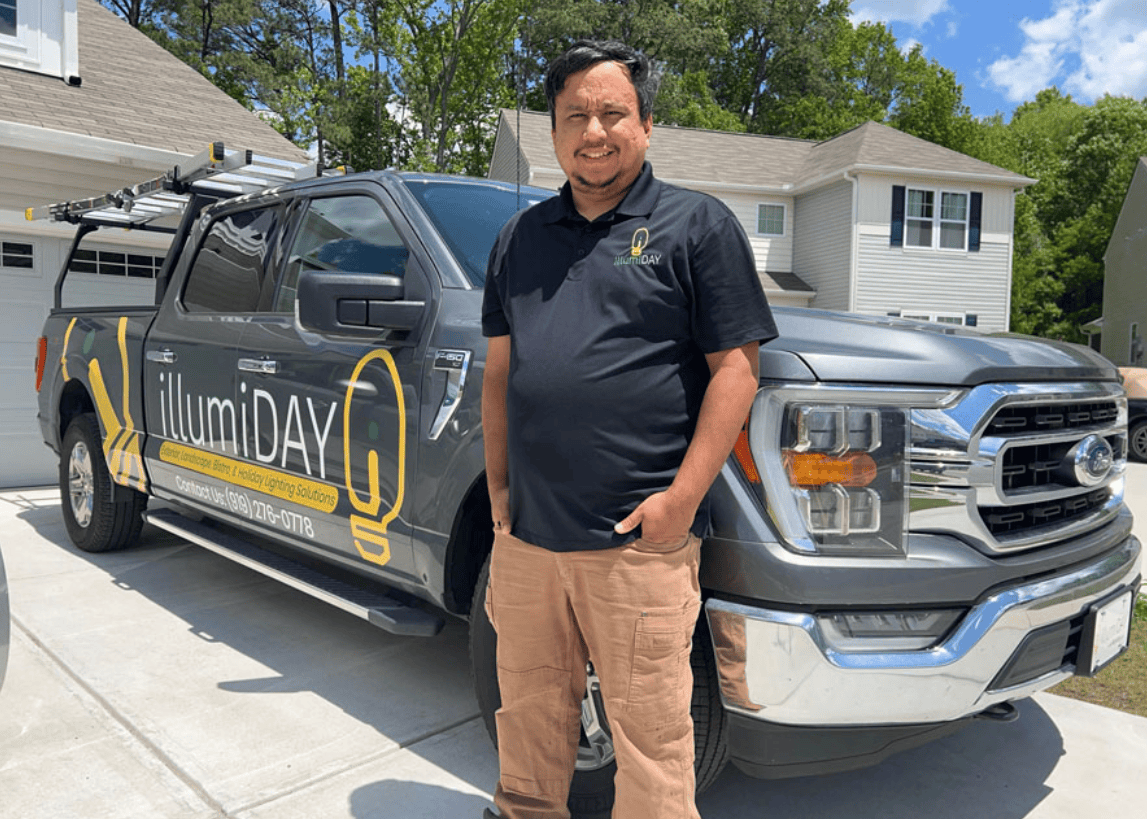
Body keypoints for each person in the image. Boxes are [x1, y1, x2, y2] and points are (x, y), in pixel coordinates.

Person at [480, 39, 777, 819]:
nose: (593, 130)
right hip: (529, 542)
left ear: (646, 126)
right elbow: (499, 372)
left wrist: (681, 498)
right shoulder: (519, 239)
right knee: (527, 711)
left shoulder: (697, 226)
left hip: (636, 542)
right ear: (552, 132)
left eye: (612, 112)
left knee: (649, 737)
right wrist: (501, 489)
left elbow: (737, 371)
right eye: (574, 114)